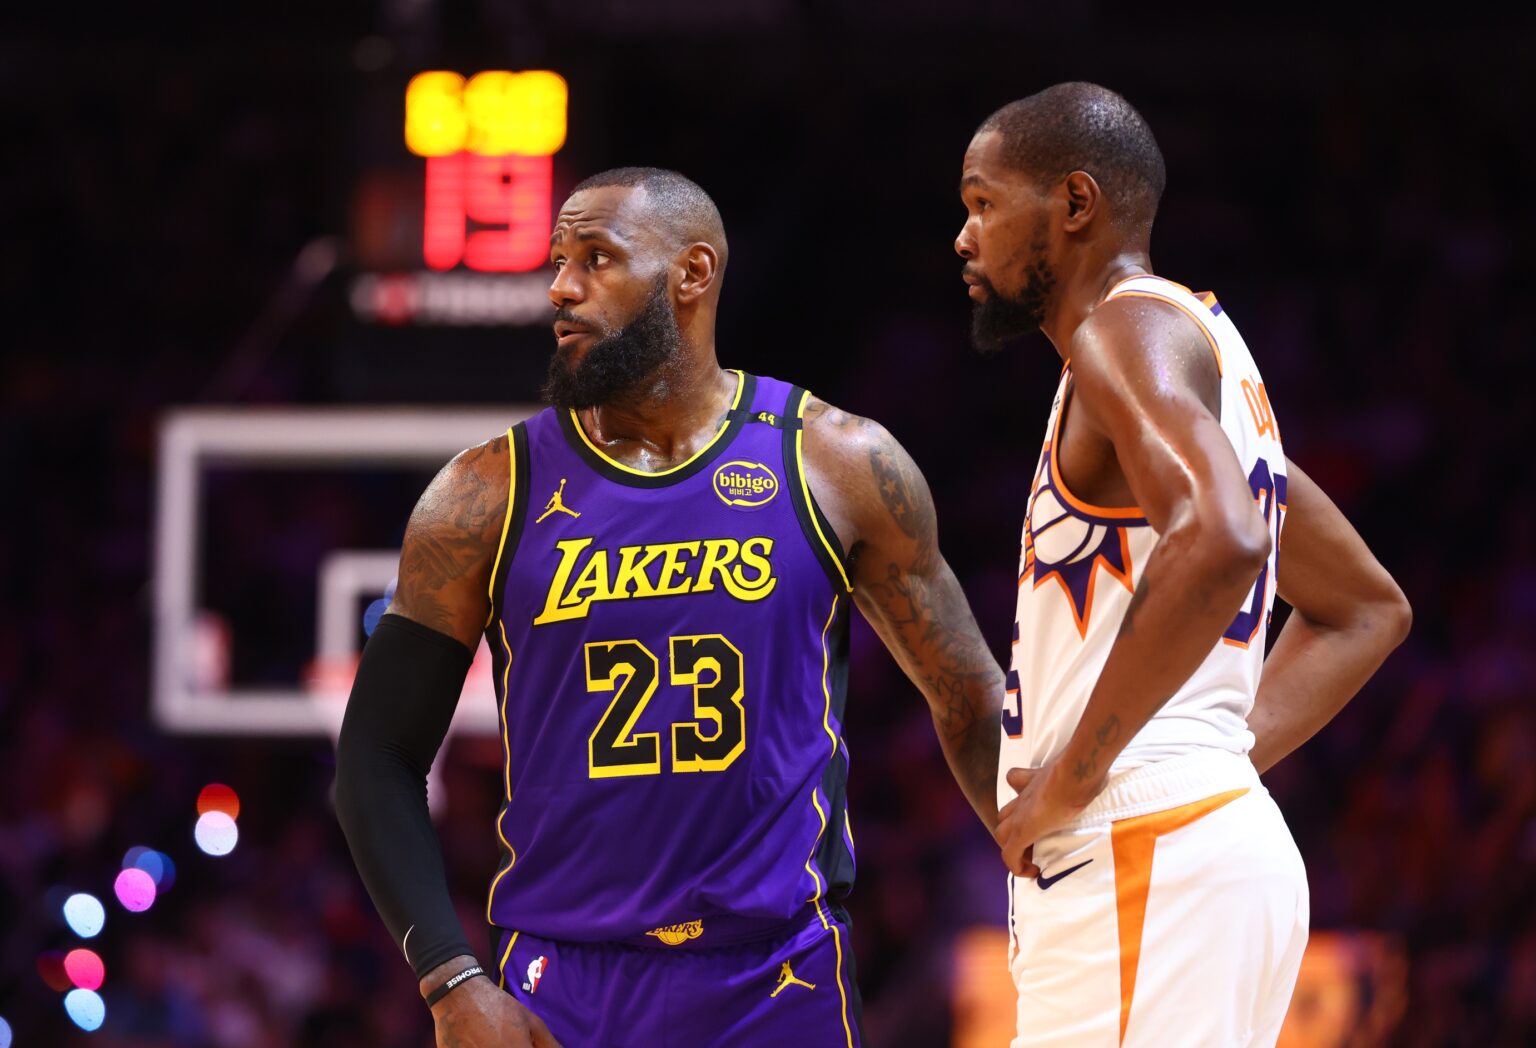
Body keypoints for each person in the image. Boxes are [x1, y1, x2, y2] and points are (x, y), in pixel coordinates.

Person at [335, 166, 1004, 1048]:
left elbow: (971, 698)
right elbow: (375, 758)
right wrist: (451, 980)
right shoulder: (484, 494)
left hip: (777, 977)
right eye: (558, 261)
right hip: (563, 987)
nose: (561, 288)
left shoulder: (835, 465)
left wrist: (1057, 864)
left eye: (597, 259)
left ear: (692, 274)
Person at [954, 83, 1412, 1047]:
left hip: (1141, 852)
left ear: (1074, 205)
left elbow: (1225, 536)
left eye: (984, 202)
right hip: (1185, 842)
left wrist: (1081, 773)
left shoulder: (1122, 334)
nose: (964, 237)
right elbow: (1365, 608)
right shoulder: (1199, 356)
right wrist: (1211, 755)